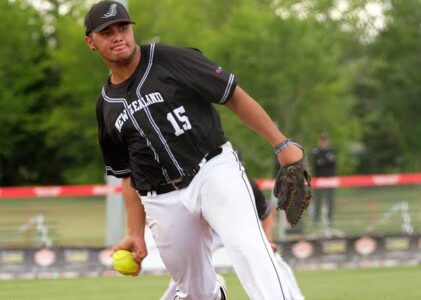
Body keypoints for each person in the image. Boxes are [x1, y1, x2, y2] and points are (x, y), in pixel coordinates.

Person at [85, 1, 305, 299]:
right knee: (194, 291)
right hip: (161, 199)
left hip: (212, 170)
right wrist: (135, 233)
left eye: (123, 28)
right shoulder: (106, 107)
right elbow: (128, 175)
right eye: (106, 32)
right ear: (91, 42)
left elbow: (233, 96)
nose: (118, 36)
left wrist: (282, 144)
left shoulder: (169, 60)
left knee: (249, 249)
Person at [160, 149, 305, 300]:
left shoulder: (246, 183)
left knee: (273, 260)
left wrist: (268, 241)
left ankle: (295, 297)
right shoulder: (204, 182)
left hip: (239, 230)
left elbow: (266, 214)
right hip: (211, 233)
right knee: (189, 273)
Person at [311, 132, 337, 227]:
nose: (324, 142)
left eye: (325, 139)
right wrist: (325, 160)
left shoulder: (332, 150)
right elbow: (317, 163)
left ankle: (330, 219)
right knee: (317, 200)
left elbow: (332, 162)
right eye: (322, 140)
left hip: (330, 179)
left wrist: (323, 161)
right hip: (319, 180)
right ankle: (316, 220)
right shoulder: (315, 151)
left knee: (330, 200)